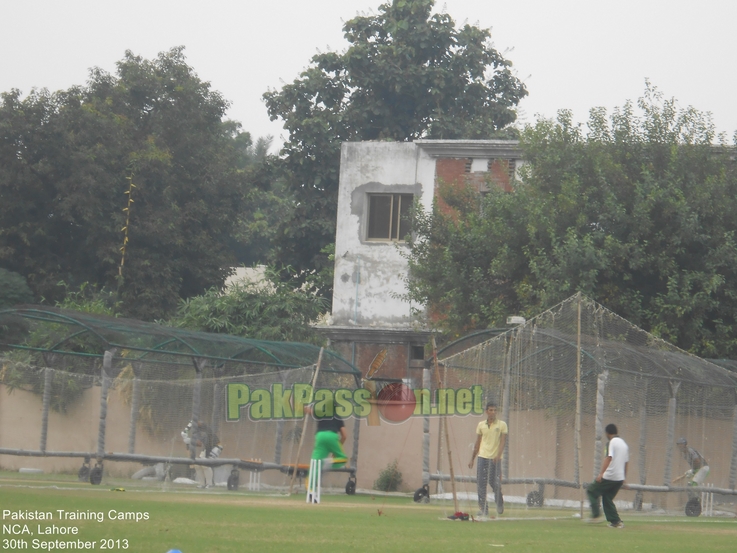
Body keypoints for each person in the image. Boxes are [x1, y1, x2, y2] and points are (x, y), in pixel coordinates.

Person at [468, 401, 508, 517]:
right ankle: (483, 508)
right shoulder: (481, 425)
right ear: (486, 412)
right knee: (481, 483)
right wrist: (472, 459)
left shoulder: (502, 425)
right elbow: (478, 442)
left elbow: (503, 441)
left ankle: (499, 502)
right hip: (482, 457)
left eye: (495, 410)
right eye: (491, 410)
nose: (493, 412)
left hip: (495, 459)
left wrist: (498, 455)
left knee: (494, 483)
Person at [586, 423, 629, 528]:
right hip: (619, 478)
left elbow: (609, 458)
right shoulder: (624, 444)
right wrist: (624, 478)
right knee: (607, 498)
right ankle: (616, 522)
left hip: (610, 476)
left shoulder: (611, 442)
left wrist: (601, 474)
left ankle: (596, 515)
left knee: (591, 490)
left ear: (607, 433)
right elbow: (626, 462)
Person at [305, 401, 348, 471]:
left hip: (320, 436)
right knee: (342, 459)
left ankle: (311, 479)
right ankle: (328, 463)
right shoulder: (338, 417)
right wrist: (336, 448)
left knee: (315, 462)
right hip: (332, 436)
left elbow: (308, 411)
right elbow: (344, 436)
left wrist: (306, 406)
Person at [181, 420, 223, 488]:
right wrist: (187, 438)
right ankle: (202, 484)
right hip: (207, 448)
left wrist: (189, 439)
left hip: (216, 447)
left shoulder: (204, 428)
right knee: (197, 464)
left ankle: (210, 484)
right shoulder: (196, 433)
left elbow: (199, 442)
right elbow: (199, 444)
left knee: (205, 464)